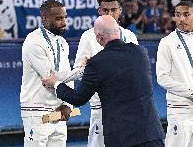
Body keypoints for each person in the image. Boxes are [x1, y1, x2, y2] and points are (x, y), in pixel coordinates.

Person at [42, 15, 165, 147]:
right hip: (151, 133)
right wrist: (92, 66)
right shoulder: (141, 52)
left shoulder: (97, 63)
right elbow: (118, 69)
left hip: (122, 138)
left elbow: (78, 98)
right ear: (118, 31)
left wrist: (56, 83)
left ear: (99, 37)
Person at [74, 0, 138, 147]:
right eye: (105, 10)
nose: (109, 14)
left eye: (114, 10)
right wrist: (87, 70)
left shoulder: (129, 36)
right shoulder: (89, 36)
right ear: (99, 10)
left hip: (127, 107)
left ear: (120, 10)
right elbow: (78, 71)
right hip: (102, 107)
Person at [20, 0, 74, 147]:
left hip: (59, 109)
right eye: (58, 19)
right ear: (44, 18)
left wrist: (67, 103)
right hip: (37, 110)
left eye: (64, 18)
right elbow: (50, 77)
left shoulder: (62, 42)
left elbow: (66, 76)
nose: (63, 22)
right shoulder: (33, 41)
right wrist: (79, 72)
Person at [156, 0, 193, 147]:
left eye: (186, 14)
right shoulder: (167, 42)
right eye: (178, 15)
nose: (181, 19)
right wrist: (190, 91)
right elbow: (162, 78)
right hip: (180, 108)